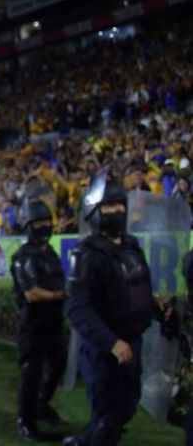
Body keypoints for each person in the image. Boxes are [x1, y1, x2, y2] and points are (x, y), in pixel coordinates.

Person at [63, 176, 167, 446]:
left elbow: (136, 285)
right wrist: (111, 342)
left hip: (132, 344)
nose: (117, 211)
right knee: (108, 417)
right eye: (109, 206)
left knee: (125, 408)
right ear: (94, 212)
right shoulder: (86, 255)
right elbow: (76, 307)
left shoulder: (131, 247)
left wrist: (153, 304)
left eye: (120, 205)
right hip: (106, 351)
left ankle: (84, 440)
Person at [10, 199, 66, 441]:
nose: (44, 226)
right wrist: (60, 294)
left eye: (46, 221)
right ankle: (25, 421)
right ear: (28, 226)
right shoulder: (23, 256)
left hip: (53, 321)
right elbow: (32, 293)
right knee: (31, 372)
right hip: (33, 323)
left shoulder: (50, 252)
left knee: (57, 364)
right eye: (38, 222)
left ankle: (41, 405)